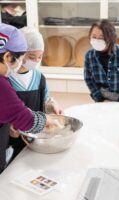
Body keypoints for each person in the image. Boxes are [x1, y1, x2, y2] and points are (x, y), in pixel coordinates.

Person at [0, 23, 58, 173]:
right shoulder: (3, 83)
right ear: (7, 56)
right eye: (20, 58)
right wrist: (46, 121)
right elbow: (21, 115)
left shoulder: (38, 78)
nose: (19, 64)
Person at [84, 19, 119, 102]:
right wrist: (99, 97)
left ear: (110, 38)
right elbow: (89, 79)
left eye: (101, 37)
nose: (97, 40)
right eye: (94, 37)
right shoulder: (89, 55)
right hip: (103, 96)